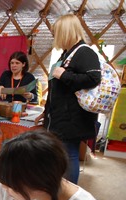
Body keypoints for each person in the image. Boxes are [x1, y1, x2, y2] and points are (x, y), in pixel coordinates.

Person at [35, 13, 101, 184]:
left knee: (69, 153)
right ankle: (61, 189)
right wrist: (47, 111)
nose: (55, 37)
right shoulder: (67, 54)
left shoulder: (84, 52)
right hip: (60, 115)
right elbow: (57, 90)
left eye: (57, 32)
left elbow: (94, 79)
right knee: (61, 154)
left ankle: (69, 195)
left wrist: (64, 75)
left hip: (73, 118)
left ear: (65, 32)